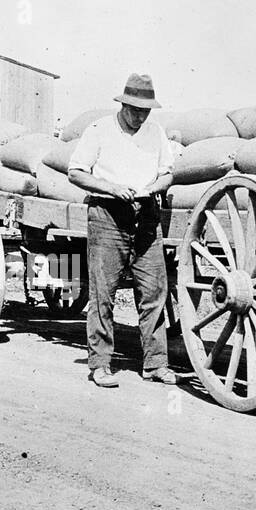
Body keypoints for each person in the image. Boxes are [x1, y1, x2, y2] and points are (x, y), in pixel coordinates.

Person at [68, 73, 178, 388]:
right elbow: (75, 172)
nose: (140, 116)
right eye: (136, 110)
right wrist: (111, 188)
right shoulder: (99, 131)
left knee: (154, 292)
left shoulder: (155, 133)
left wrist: (151, 189)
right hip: (108, 216)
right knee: (103, 292)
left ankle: (156, 364)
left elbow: (167, 174)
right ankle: (100, 364)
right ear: (124, 103)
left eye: (146, 111)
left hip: (146, 216)